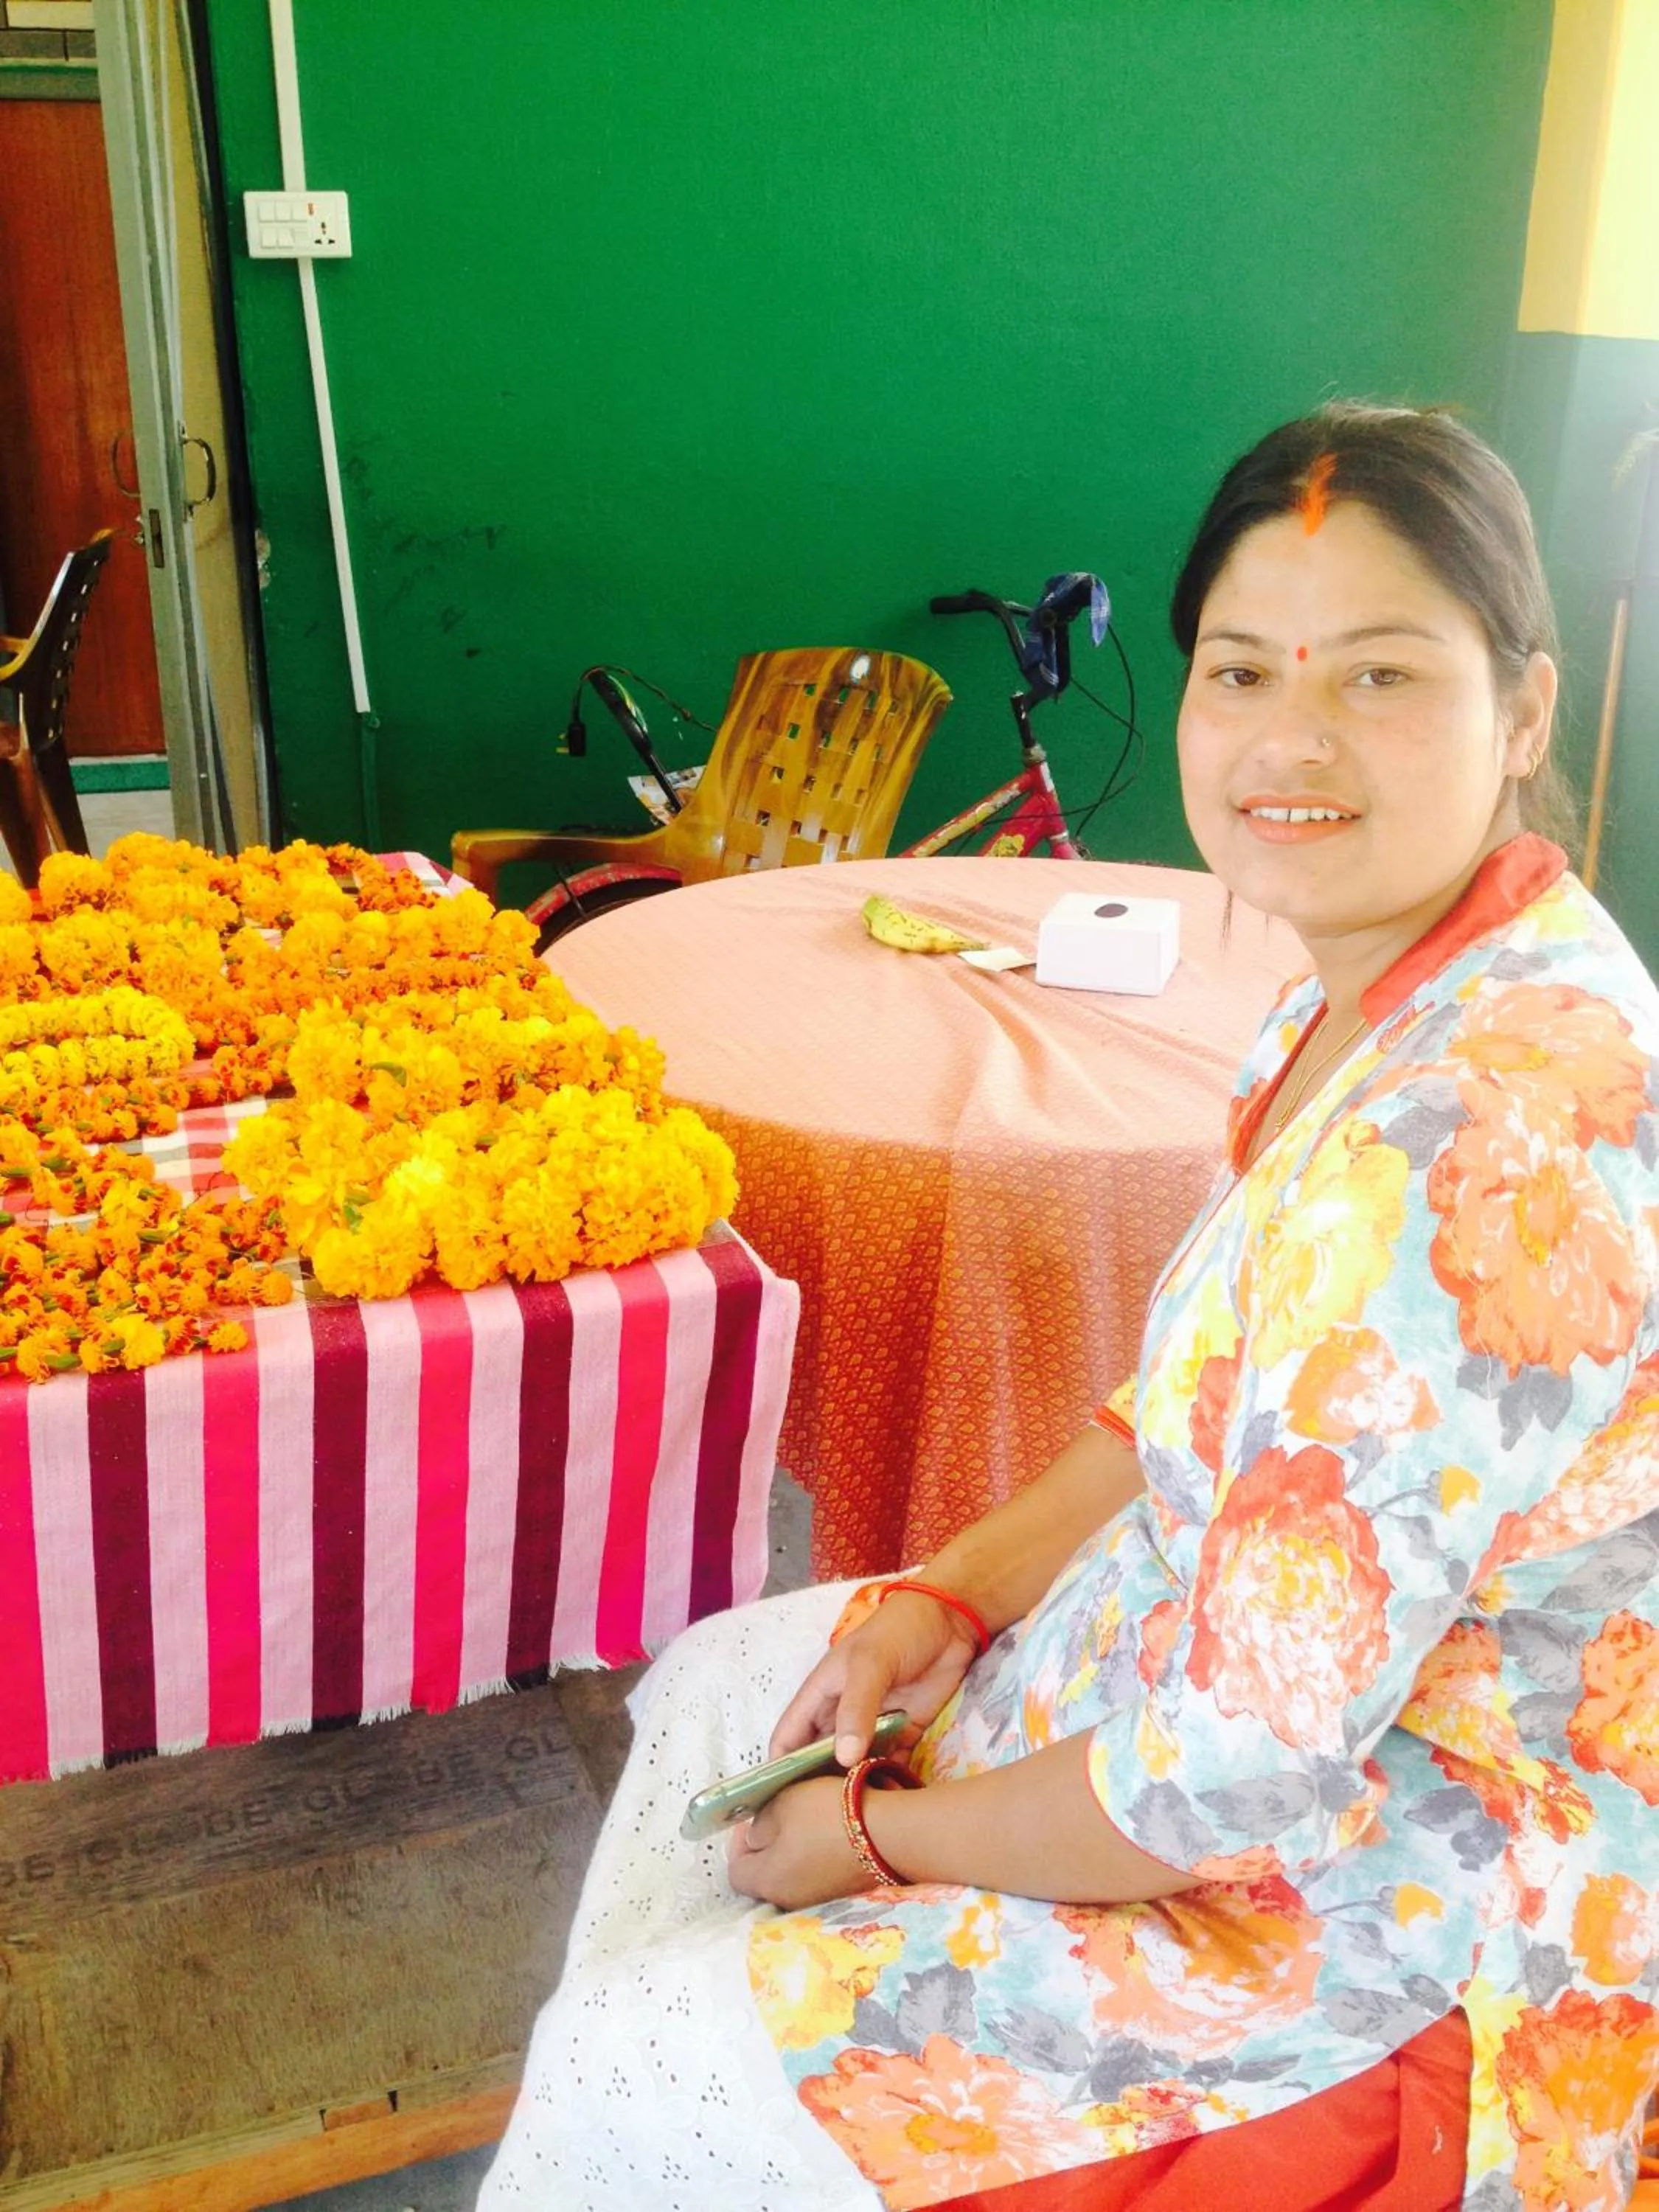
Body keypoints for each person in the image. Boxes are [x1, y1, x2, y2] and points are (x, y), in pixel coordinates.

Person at [478, 405, 1659, 2212]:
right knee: (735, 1686)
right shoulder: (1372, 987)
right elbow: (1175, 1390)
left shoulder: (1463, 1141)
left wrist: (877, 1841)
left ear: (1526, 711)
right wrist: (949, 1589)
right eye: (1243, 668)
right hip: (1231, 1697)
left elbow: (1233, 1775)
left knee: (657, 2054)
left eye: (1380, 677)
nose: (1290, 741)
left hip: (1411, 1921)